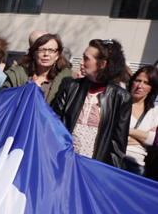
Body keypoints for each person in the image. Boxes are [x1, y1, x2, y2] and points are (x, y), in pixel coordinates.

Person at [52, 39, 131, 168]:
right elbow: (53, 125)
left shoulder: (121, 97)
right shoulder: (70, 87)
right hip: (62, 161)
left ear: (102, 64)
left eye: (86, 59)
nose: (80, 62)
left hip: (93, 168)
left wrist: (108, 174)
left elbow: (117, 145)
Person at [0, 33, 72, 104]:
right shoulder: (17, 75)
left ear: (57, 55)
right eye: (41, 50)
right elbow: (2, 101)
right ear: (34, 54)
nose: (46, 54)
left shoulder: (65, 79)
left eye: (51, 50)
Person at [123, 65, 158, 175]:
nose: (140, 86)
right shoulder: (119, 104)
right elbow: (109, 134)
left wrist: (128, 131)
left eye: (146, 83)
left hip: (136, 165)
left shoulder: (154, 111)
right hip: (112, 158)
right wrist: (143, 137)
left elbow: (154, 140)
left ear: (152, 87)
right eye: (137, 80)